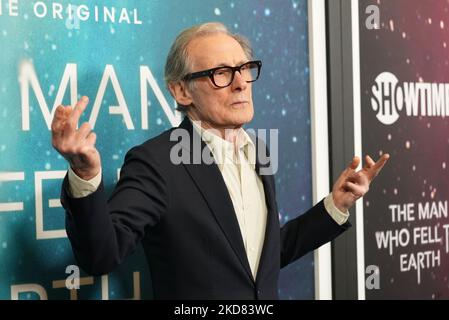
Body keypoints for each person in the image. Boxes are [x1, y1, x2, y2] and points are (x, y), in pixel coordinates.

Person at [51, 22, 389, 299]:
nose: (241, 83)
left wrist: (336, 205)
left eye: (244, 69)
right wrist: (84, 174)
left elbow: (262, 256)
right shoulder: (156, 162)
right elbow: (101, 255)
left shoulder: (258, 151)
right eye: (222, 73)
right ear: (181, 92)